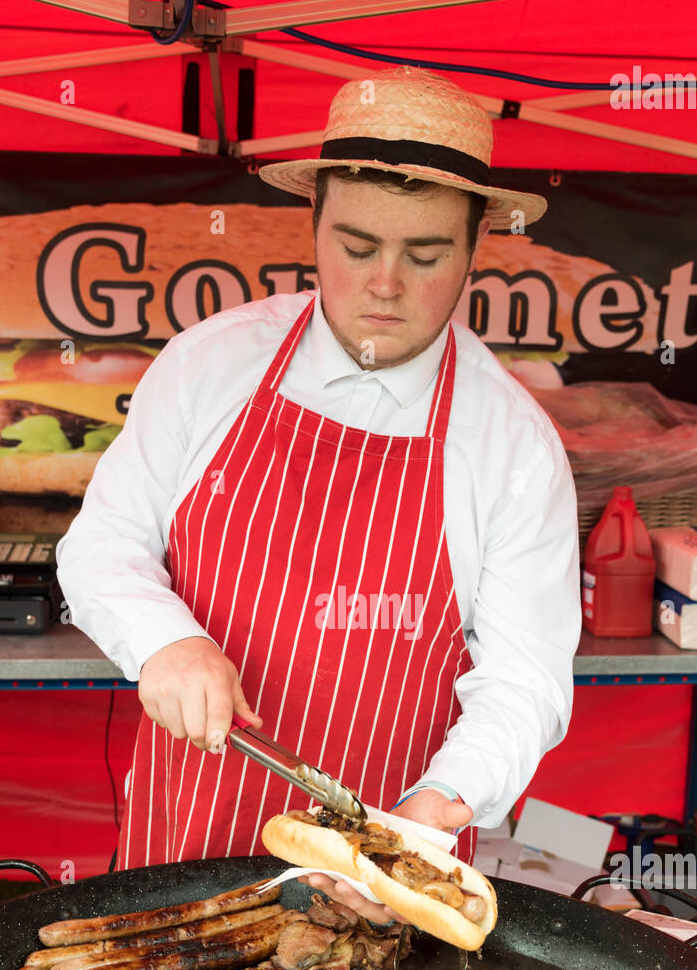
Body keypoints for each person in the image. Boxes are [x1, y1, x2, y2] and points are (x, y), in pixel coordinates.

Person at [56, 65, 581, 924]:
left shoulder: (511, 445)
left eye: (424, 254)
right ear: (312, 223)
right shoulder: (210, 362)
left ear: (477, 244)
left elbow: (524, 679)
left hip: (380, 862)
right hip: (187, 826)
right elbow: (102, 544)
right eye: (356, 245)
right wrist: (165, 641)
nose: (385, 284)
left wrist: (430, 817)